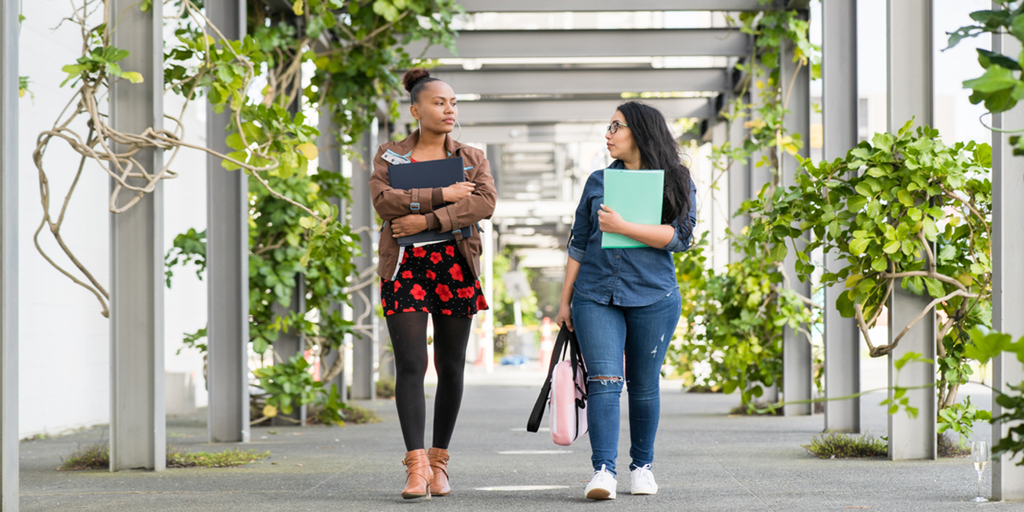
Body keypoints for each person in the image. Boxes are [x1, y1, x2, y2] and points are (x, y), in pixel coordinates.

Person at [555, 101, 697, 500]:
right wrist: (565, 300)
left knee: (644, 385)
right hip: (595, 295)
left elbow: (681, 238)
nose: (608, 133)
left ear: (640, 131)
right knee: (603, 381)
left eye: (616, 126)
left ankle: (642, 468)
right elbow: (579, 242)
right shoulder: (597, 181)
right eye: (609, 126)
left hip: (655, 295)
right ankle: (603, 472)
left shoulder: (677, 179)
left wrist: (622, 226)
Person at [369, 68, 497, 500]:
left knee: (451, 365)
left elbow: (484, 203)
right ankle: (415, 466)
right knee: (410, 365)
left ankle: (439, 461)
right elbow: (383, 200)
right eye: (440, 102)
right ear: (416, 110)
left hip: (454, 264)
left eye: (453, 103)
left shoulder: (471, 157)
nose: (449, 109)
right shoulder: (390, 156)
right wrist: (443, 195)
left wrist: (426, 218)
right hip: (406, 265)